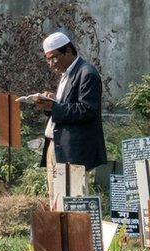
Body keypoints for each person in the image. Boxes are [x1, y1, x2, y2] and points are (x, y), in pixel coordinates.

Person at [35, 32, 107, 192]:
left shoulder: (87, 73)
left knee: (74, 202)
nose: (51, 63)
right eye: (47, 59)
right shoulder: (66, 74)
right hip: (57, 146)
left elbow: (87, 110)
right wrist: (52, 102)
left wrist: (54, 107)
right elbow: (68, 106)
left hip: (73, 152)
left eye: (53, 57)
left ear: (68, 51)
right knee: (56, 199)